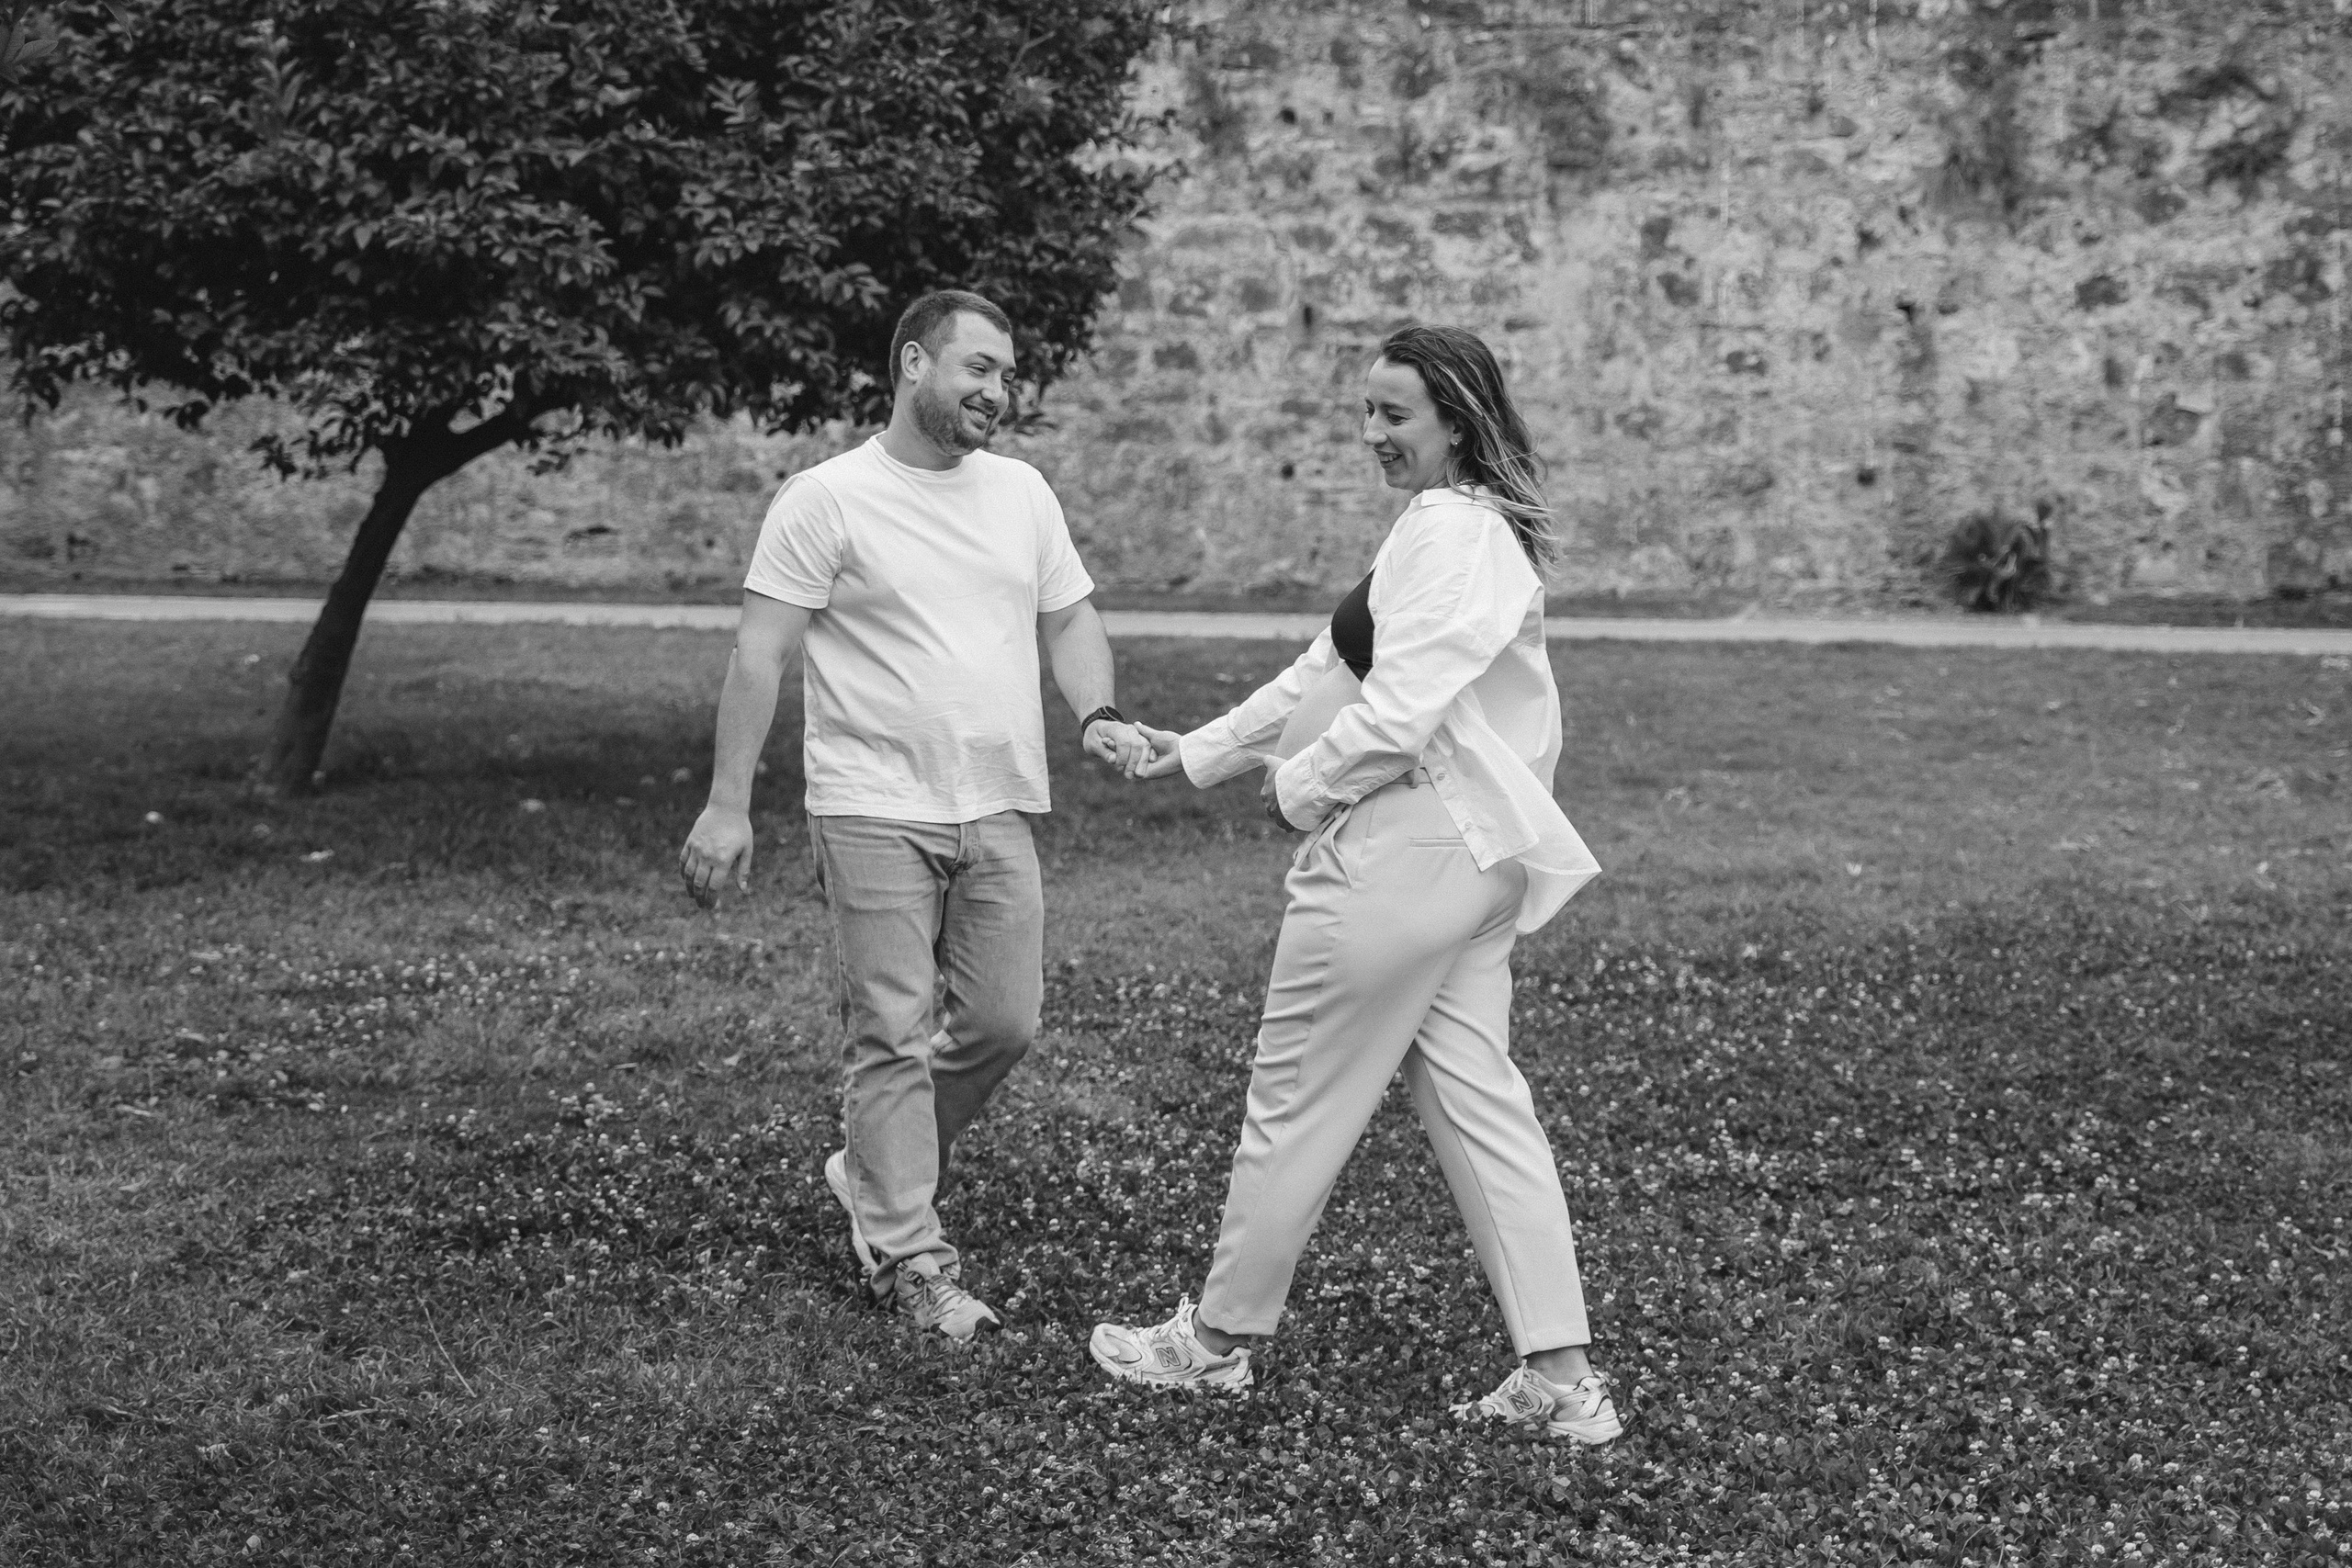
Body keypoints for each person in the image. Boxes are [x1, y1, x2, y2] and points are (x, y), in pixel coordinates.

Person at [1090, 324, 1622, 1442]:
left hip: (1407, 852)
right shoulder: (1435, 530)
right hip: (1462, 863)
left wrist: (1295, 792)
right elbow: (1325, 670)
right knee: (1478, 1106)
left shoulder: (1459, 536)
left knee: (1294, 1099)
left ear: (1456, 423)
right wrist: (1190, 750)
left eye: (1395, 415)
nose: (1372, 434)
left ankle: (1215, 1345)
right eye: (1366, 412)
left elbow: (1396, 712)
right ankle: (1562, 1385)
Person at [679, 288, 1152, 1343]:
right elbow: (762, 650)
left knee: (1002, 1023)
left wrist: (1098, 713)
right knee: (888, 1033)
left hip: (994, 802)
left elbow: (1068, 614)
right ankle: (909, 1256)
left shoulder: (1021, 493)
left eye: (1007, 373)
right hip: (869, 804)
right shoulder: (826, 499)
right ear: (911, 365)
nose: (999, 390)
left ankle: (872, 1168)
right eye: (977, 368)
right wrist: (726, 805)